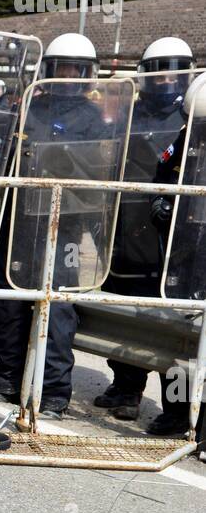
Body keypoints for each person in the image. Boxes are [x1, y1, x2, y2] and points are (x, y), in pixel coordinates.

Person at [0, 33, 110, 418]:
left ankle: (55, 389)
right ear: (50, 70)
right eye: (62, 68)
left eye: (76, 69)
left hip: (68, 226)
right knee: (12, 300)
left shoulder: (94, 120)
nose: (69, 76)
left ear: (87, 74)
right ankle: (10, 375)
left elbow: (98, 173)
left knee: (58, 308)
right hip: (23, 221)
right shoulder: (31, 107)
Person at [94, 36, 193, 421]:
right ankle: (126, 387)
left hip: (173, 240)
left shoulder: (193, 120)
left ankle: (177, 408)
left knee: (175, 332)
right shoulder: (128, 117)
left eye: (175, 74)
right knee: (123, 313)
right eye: (160, 74)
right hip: (127, 230)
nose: (167, 82)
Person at [147, 72, 206, 439]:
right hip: (185, 245)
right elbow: (162, 174)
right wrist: (161, 203)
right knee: (177, 333)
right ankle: (175, 412)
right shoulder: (185, 138)